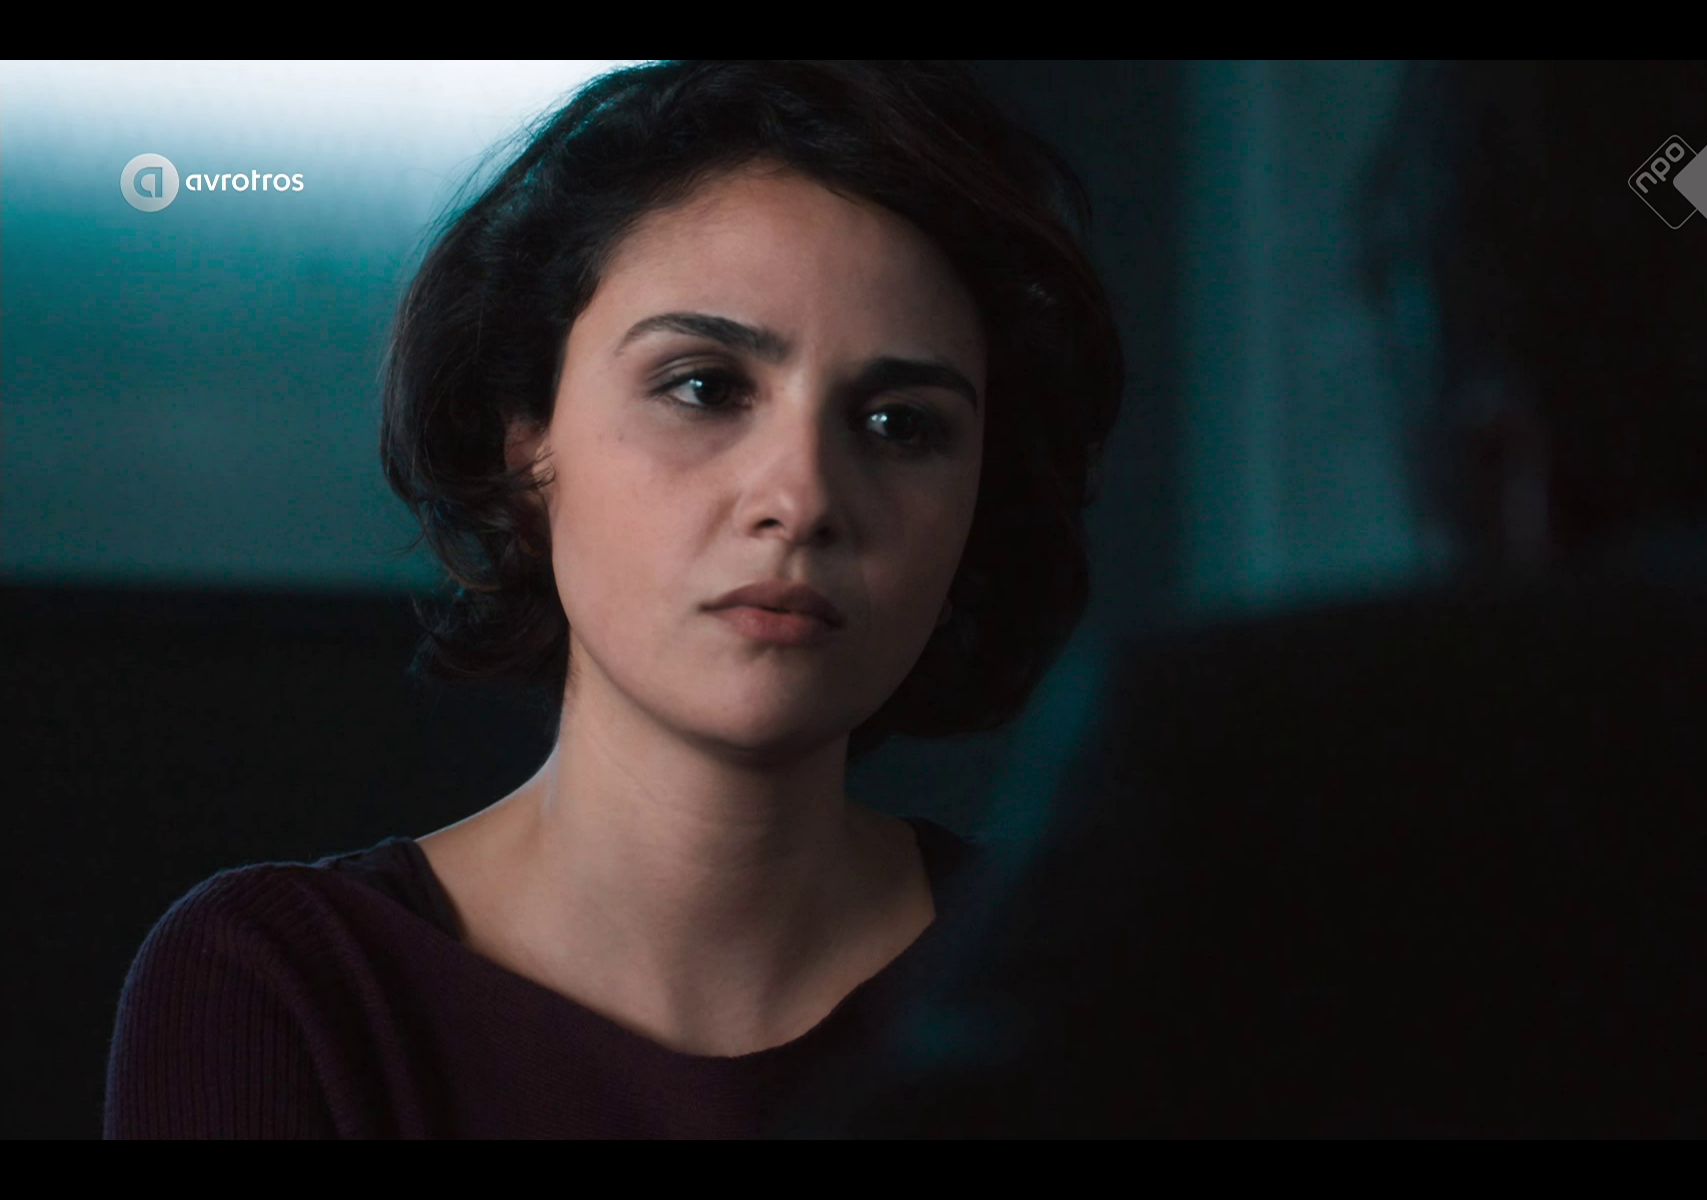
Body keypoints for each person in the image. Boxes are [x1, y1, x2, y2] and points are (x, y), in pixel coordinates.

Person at [102, 60, 1123, 1139]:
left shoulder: (1100, 991)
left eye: (900, 425)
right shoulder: (281, 984)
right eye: (704, 387)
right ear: (527, 447)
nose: (802, 499)